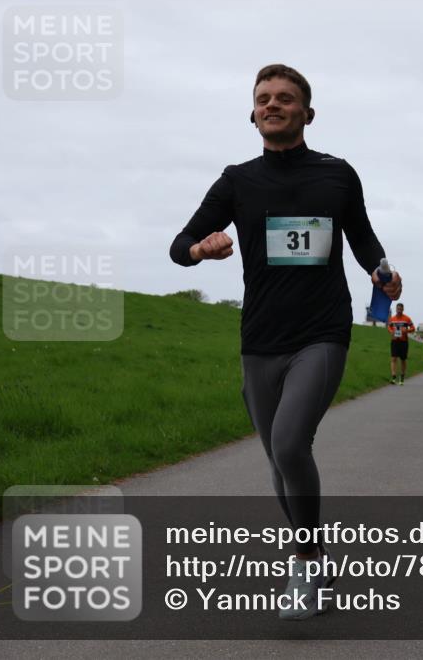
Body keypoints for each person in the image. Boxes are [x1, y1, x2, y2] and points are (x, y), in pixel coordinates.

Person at [169, 64, 402, 621]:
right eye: (263, 98)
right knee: (278, 455)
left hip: (322, 331)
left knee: (291, 442)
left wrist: (382, 271)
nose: (272, 104)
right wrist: (202, 249)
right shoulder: (237, 180)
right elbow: (180, 245)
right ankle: (316, 558)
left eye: (285, 98)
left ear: (307, 113)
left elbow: (362, 237)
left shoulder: (337, 175)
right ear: (253, 115)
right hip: (260, 337)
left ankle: (304, 563)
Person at [386, 303, 415, 385]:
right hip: (395, 341)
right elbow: (389, 327)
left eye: (400, 309)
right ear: (396, 309)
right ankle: (393, 377)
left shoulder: (407, 319)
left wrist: (407, 330)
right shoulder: (392, 319)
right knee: (393, 358)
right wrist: (391, 332)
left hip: (403, 341)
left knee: (403, 359)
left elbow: (413, 328)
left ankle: (402, 377)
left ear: (403, 309)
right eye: (398, 309)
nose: (399, 310)